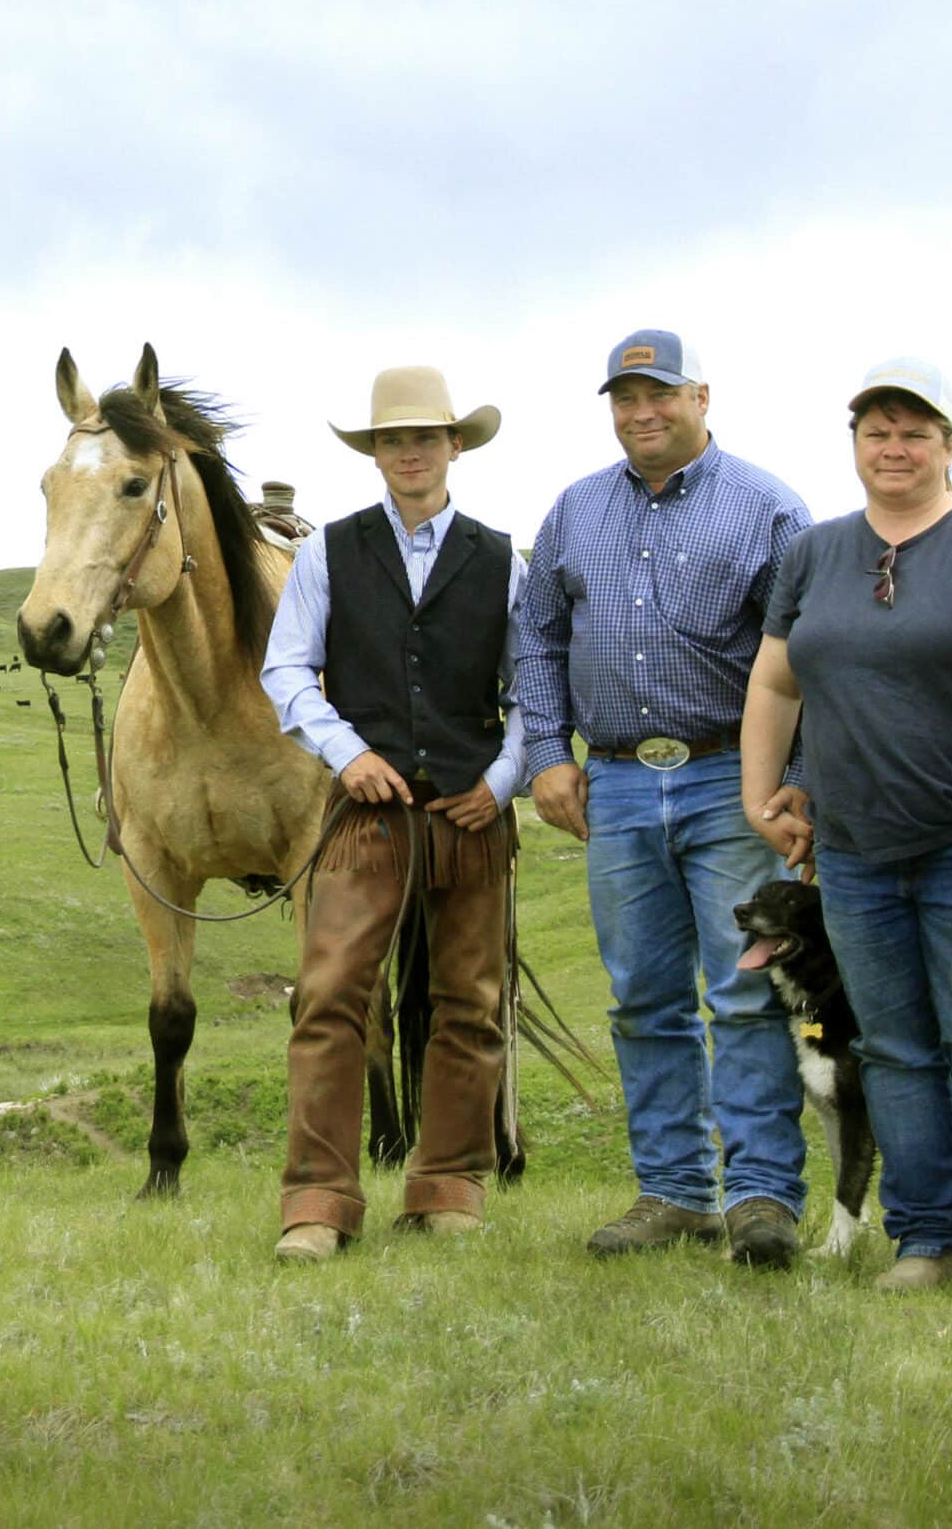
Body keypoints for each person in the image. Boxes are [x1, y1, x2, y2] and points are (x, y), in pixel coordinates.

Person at [740, 357, 952, 1303]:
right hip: (850, 851)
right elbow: (775, 678)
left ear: (948, 445)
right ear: (854, 445)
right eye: (876, 430)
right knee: (892, 1044)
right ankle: (927, 1239)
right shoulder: (812, 553)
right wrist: (763, 792)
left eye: (914, 431)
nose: (894, 446)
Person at [512, 328, 814, 1269]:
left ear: (703, 396)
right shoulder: (575, 510)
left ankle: (761, 1193)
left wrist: (795, 781)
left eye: (660, 394)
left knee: (746, 985)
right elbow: (536, 638)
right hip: (616, 782)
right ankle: (675, 1190)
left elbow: (805, 655)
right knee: (643, 993)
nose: (641, 412)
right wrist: (543, 756)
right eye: (624, 397)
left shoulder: (768, 507)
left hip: (733, 774)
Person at [260, 366, 526, 1265]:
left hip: (471, 811)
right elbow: (287, 670)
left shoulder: (503, 561)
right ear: (374, 453)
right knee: (331, 994)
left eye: (425, 436)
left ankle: (450, 1184)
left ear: (455, 446)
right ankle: (318, 1200)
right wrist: (350, 753)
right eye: (390, 438)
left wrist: (505, 776)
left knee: (469, 999)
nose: (408, 451)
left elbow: (535, 689)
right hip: (364, 814)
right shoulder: (330, 552)